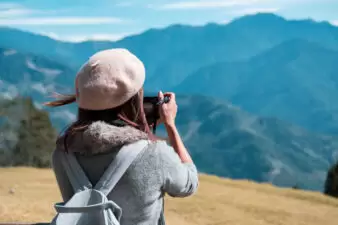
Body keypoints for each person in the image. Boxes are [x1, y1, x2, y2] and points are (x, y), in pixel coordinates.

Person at [45, 48, 199, 225]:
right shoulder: (154, 153)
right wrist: (170, 125)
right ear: (133, 101)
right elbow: (189, 183)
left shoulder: (63, 153)